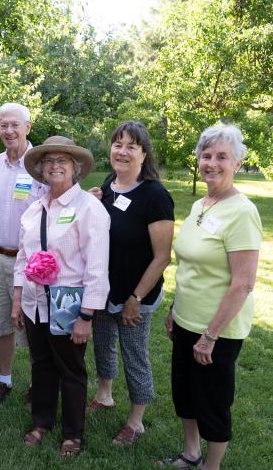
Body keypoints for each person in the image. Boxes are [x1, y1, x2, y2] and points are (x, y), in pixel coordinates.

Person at [161, 124, 261, 470]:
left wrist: (210, 335)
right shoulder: (201, 205)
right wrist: (176, 308)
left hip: (217, 329)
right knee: (185, 394)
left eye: (222, 156)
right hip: (187, 319)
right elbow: (191, 266)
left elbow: (244, 283)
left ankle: (211, 466)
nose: (212, 163)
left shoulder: (242, 211)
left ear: (236, 162)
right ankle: (191, 454)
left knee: (212, 401)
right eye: (206, 155)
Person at [11, 136, 110, 457]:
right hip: (34, 302)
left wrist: (86, 315)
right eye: (49, 161)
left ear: (75, 169)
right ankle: (41, 421)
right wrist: (17, 299)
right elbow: (23, 258)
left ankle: (72, 433)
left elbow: (97, 265)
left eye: (62, 161)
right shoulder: (34, 208)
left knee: (70, 368)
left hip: (69, 302)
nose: (54, 166)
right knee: (41, 364)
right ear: (40, 170)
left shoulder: (89, 208)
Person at [86, 121, 174, 445]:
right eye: (117, 144)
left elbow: (162, 256)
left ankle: (135, 421)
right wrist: (92, 201)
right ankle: (105, 395)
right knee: (103, 342)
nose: (122, 151)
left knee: (134, 353)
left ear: (143, 153)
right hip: (106, 287)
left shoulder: (155, 196)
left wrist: (136, 297)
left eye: (130, 146)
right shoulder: (109, 184)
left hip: (137, 292)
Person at [0, 103, 45, 406]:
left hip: (30, 261)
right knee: (1, 322)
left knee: (31, 324)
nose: (9, 131)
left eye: (15, 125)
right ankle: (4, 380)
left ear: (28, 126)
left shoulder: (41, 167)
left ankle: (37, 384)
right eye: (3, 125)